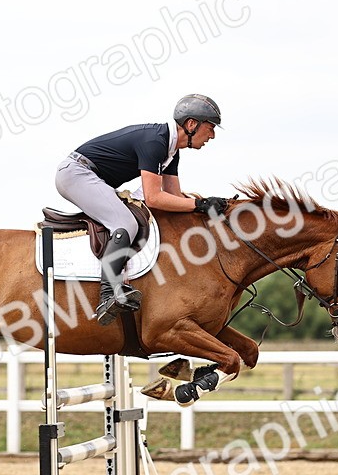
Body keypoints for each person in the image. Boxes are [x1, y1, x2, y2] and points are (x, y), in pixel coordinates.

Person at [55, 93, 233, 325]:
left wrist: (205, 207)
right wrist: (199, 203)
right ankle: (109, 293)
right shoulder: (155, 142)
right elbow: (154, 198)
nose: (212, 135)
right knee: (125, 222)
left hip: (88, 175)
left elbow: (173, 198)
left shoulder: (171, 152)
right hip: (75, 173)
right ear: (191, 124)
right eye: (210, 127)